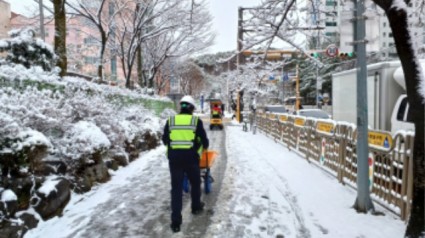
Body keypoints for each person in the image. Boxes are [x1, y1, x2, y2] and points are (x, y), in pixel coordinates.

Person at [162, 95, 209, 233]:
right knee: (195, 183)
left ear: (181, 107)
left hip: (175, 159)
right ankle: (195, 207)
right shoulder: (195, 121)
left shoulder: (170, 120)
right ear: (192, 108)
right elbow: (205, 141)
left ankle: (175, 222)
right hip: (191, 159)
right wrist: (199, 145)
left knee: (176, 189)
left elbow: (165, 140)